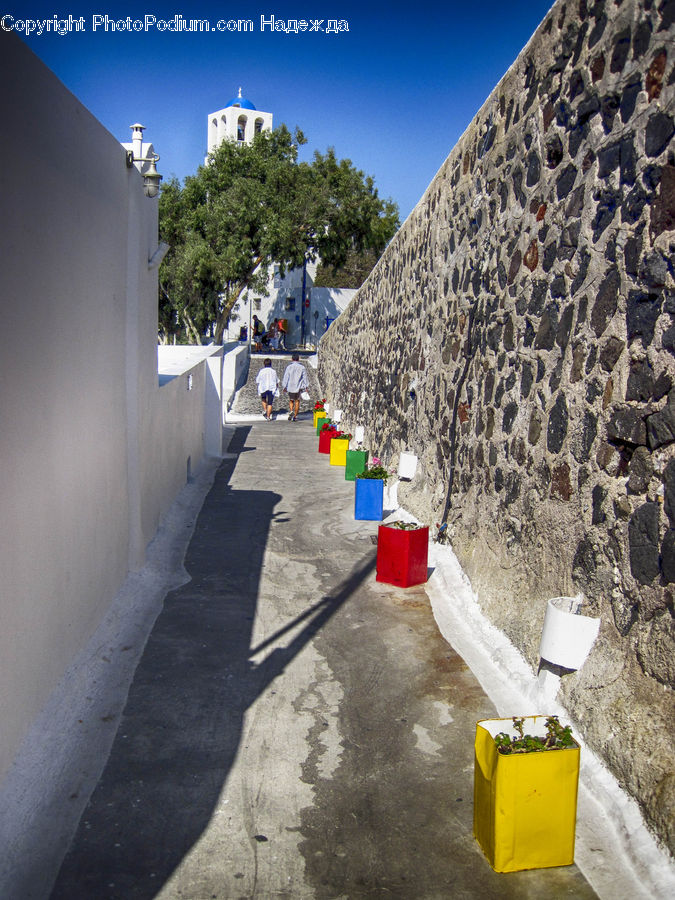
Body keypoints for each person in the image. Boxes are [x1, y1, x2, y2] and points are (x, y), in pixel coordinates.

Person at [282, 353, 309, 421]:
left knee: (291, 400)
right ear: (298, 359)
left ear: (292, 359)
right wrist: (306, 386)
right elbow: (304, 377)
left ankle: (291, 411)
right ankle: (295, 416)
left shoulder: (289, 367)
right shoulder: (302, 367)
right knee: (297, 401)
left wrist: (284, 386)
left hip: (290, 386)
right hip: (298, 386)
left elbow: (286, 377)